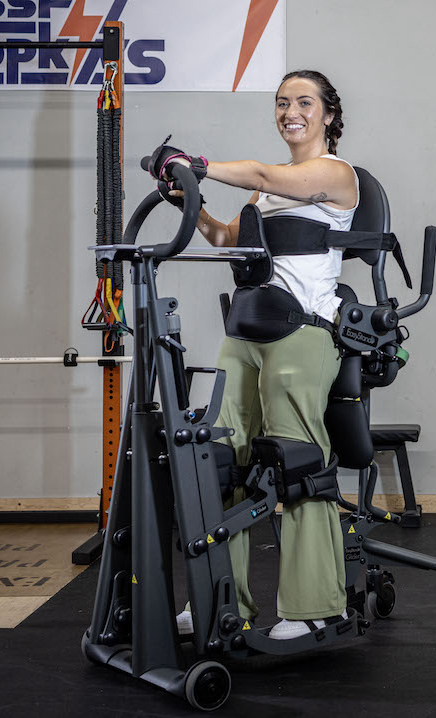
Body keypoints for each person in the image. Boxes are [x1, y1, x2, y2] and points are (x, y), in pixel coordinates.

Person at [163, 70, 358, 640]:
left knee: (296, 464)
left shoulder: (334, 174)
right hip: (245, 331)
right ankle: (224, 601)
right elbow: (226, 239)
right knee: (224, 464)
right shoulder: (266, 192)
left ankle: (316, 605)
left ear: (326, 114)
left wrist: (195, 164)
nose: (289, 111)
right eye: (281, 103)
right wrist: (190, 200)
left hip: (301, 332)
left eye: (303, 102)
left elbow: (261, 171)